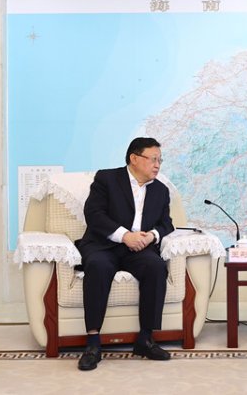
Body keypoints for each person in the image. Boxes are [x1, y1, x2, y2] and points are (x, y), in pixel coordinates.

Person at [75, 137, 175, 371]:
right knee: (98, 266)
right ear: (134, 158)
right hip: (104, 245)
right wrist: (124, 235)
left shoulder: (160, 190)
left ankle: (145, 339)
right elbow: (94, 214)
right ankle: (93, 344)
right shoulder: (107, 179)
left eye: (160, 160)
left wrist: (151, 236)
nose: (157, 165)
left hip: (138, 249)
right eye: (153, 159)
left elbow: (166, 224)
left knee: (156, 267)